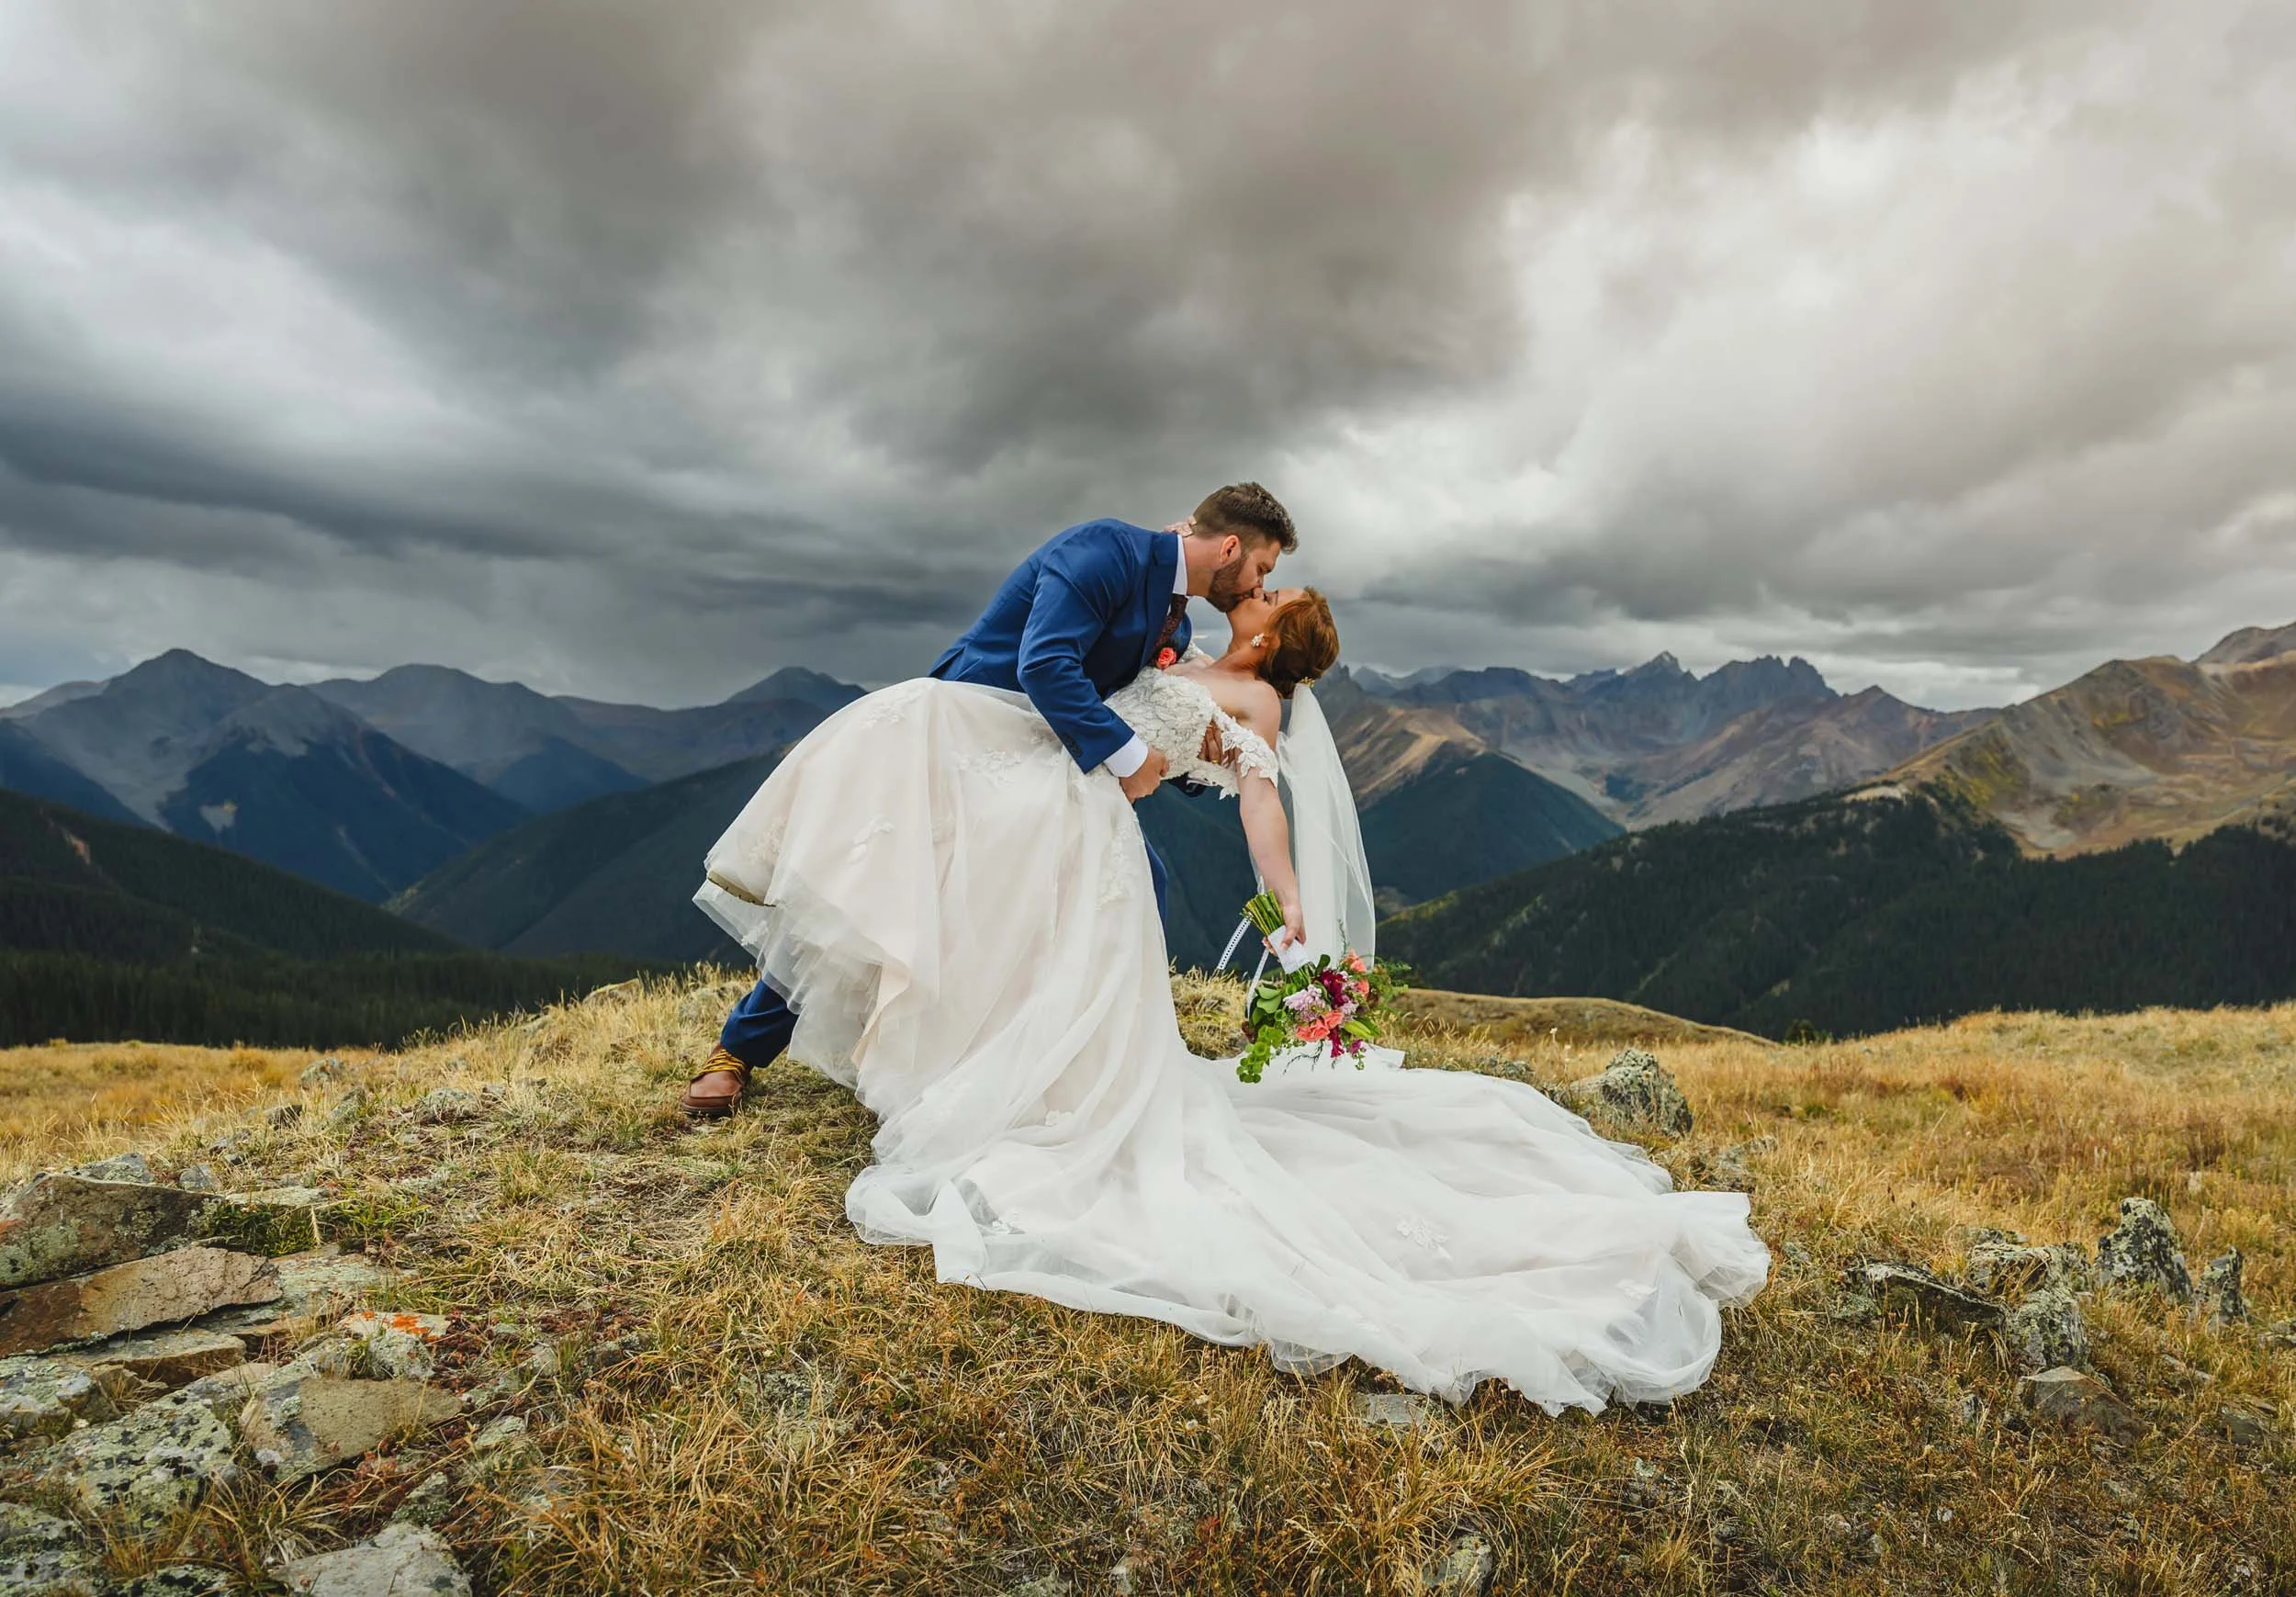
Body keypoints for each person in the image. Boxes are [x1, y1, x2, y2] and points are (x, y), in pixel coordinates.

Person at [691, 566, 1770, 1411]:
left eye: (1271, 594)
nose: (1256, 591)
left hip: (1073, 832)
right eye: (1262, 578)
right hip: (1042, 806)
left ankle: (911, 1066)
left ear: (1271, 635)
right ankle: (813, 1044)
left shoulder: (1251, 693)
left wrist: (1285, 911)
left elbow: (1260, 797)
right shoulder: (1192, 644)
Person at [679, 482, 1295, 1118]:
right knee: (878, 895)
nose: (1256, 586)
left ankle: (1062, 1062)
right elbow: (1045, 664)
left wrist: (1199, 761)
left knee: (1139, 882)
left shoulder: (1178, 619)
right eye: (1261, 569)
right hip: (963, 739)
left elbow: (1141, 707)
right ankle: (737, 1050)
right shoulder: (1103, 551)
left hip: (1050, 763)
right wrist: (1133, 757)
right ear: (1227, 547)